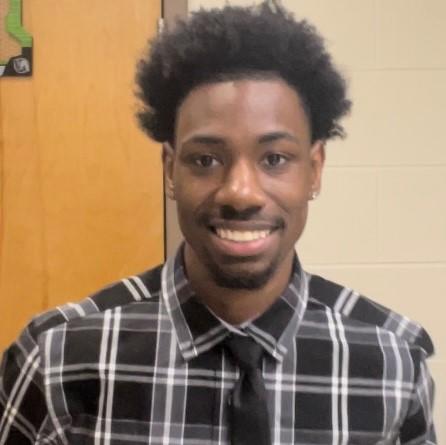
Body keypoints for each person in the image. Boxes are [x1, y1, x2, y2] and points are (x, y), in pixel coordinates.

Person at [0, 1, 436, 444]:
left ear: (315, 168)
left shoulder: (392, 361)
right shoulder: (57, 358)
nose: (240, 193)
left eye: (275, 159)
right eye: (205, 159)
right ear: (171, 170)